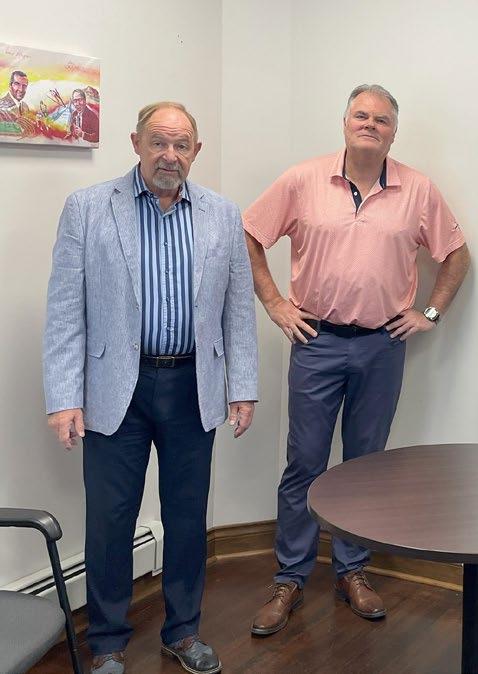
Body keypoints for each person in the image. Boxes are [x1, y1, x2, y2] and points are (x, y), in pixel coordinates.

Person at [244, 83, 470, 635]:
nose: (370, 124)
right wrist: (274, 303)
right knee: (305, 462)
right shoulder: (302, 180)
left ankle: (353, 570)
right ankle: (290, 577)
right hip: (316, 341)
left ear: (394, 132)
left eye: (382, 119)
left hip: (381, 345)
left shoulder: (418, 189)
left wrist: (430, 313)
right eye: (361, 115)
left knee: (366, 466)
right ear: (345, 122)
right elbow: (248, 234)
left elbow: (456, 255)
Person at [43, 102, 258, 674]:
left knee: (187, 517)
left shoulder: (222, 214)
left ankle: (182, 632)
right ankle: (107, 642)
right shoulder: (88, 208)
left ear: (196, 151)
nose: (169, 155)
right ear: (136, 143)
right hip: (117, 387)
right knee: (110, 519)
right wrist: (64, 397)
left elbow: (238, 310)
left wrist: (243, 387)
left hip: (193, 385)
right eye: (158, 142)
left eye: (181, 145)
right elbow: (65, 310)